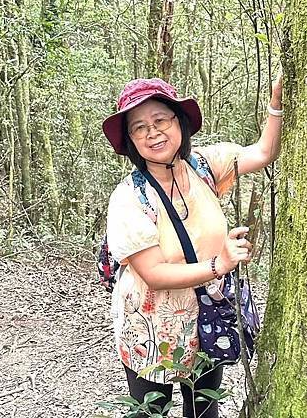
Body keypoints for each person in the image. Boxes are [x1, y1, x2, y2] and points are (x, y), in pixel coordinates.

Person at [102, 75, 283, 418]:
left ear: (179, 122)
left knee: (203, 407)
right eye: (139, 128)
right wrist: (220, 264)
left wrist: (276, 103)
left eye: (161, 120)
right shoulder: (129, 197)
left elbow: (264, 152)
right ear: (131, 141)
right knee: (150, 411)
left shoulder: (203, 166)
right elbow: (153, 273)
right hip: (151, 325)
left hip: (207, 316)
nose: (152, 133)